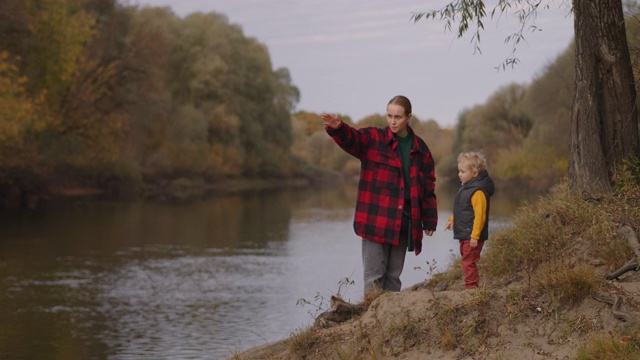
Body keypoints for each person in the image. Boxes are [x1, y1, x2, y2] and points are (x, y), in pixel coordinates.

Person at [322, 95, 437, 296]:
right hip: (375, 220)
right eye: (389, 116)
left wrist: (429, 221)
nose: (392, 121)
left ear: (408, 117)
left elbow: (428, 187)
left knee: (393, 277)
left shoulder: (421, 149)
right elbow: (353, 139)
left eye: (398, 117)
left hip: (403, 222)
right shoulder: (374, 139)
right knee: (374, 278)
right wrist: (338, 128)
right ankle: (370, 323)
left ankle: (390, 321)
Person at [445, 151, 495, 290]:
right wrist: (452, 219)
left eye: (463, 171)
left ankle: (471, 288)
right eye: (459, 171)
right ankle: (471, 286)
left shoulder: (478, 192)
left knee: (468, 261)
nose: (459, 174)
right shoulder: (465, 188)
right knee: (466, 259)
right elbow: (462, 208)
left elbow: (480, 216)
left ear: (474, 173)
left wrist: (475, 236)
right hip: (466, 233)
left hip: (472, 235)